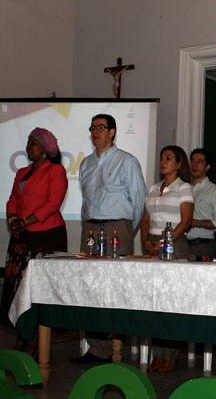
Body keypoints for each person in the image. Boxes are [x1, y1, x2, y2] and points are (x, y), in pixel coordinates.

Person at [71, 113, 147, 364]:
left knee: (114, 288)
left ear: (112, 132)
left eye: (101, 128)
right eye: (92, 128)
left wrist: (125, 229)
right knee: (90, 287)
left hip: (117, 228)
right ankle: (96, 349)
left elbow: (138, 201)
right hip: (90, 229)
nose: (95, 132)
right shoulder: (86, 164)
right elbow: (86, 200)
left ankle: (114, 349)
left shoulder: (127, 161)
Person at [0, 128, 68, 352]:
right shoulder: (22, 172)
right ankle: (22, 335)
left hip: (47, 236)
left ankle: (41, 339)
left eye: (33, 143)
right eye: (28, 143)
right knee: (19, 287)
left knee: (40, 289)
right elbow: (13, 199)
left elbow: (53, 203)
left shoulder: (55, 171)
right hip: (23, 236)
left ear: (46, 149)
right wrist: (13, 219)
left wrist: (26, 221)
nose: (28, 147)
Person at [141, 145, 194, 373]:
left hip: (175, 245)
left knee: (171, 303)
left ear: (179, 164)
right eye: (162, 158)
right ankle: (157, 354)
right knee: (155, 302)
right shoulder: (153, 188)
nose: (163, 162)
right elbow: (145, 218)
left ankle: (170, 355)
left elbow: (186, 221)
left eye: (169, 158)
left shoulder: (184, 188)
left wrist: (165, 241)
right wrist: (145, 239)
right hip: (152, 243)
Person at [186, 148, 216, 260]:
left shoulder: (214, 191)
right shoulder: (183, 188)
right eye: (192, 161)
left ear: (207, 167)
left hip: (203, 245)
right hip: (181, 244)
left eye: (199, 161)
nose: (195, 165)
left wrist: (197, 223)